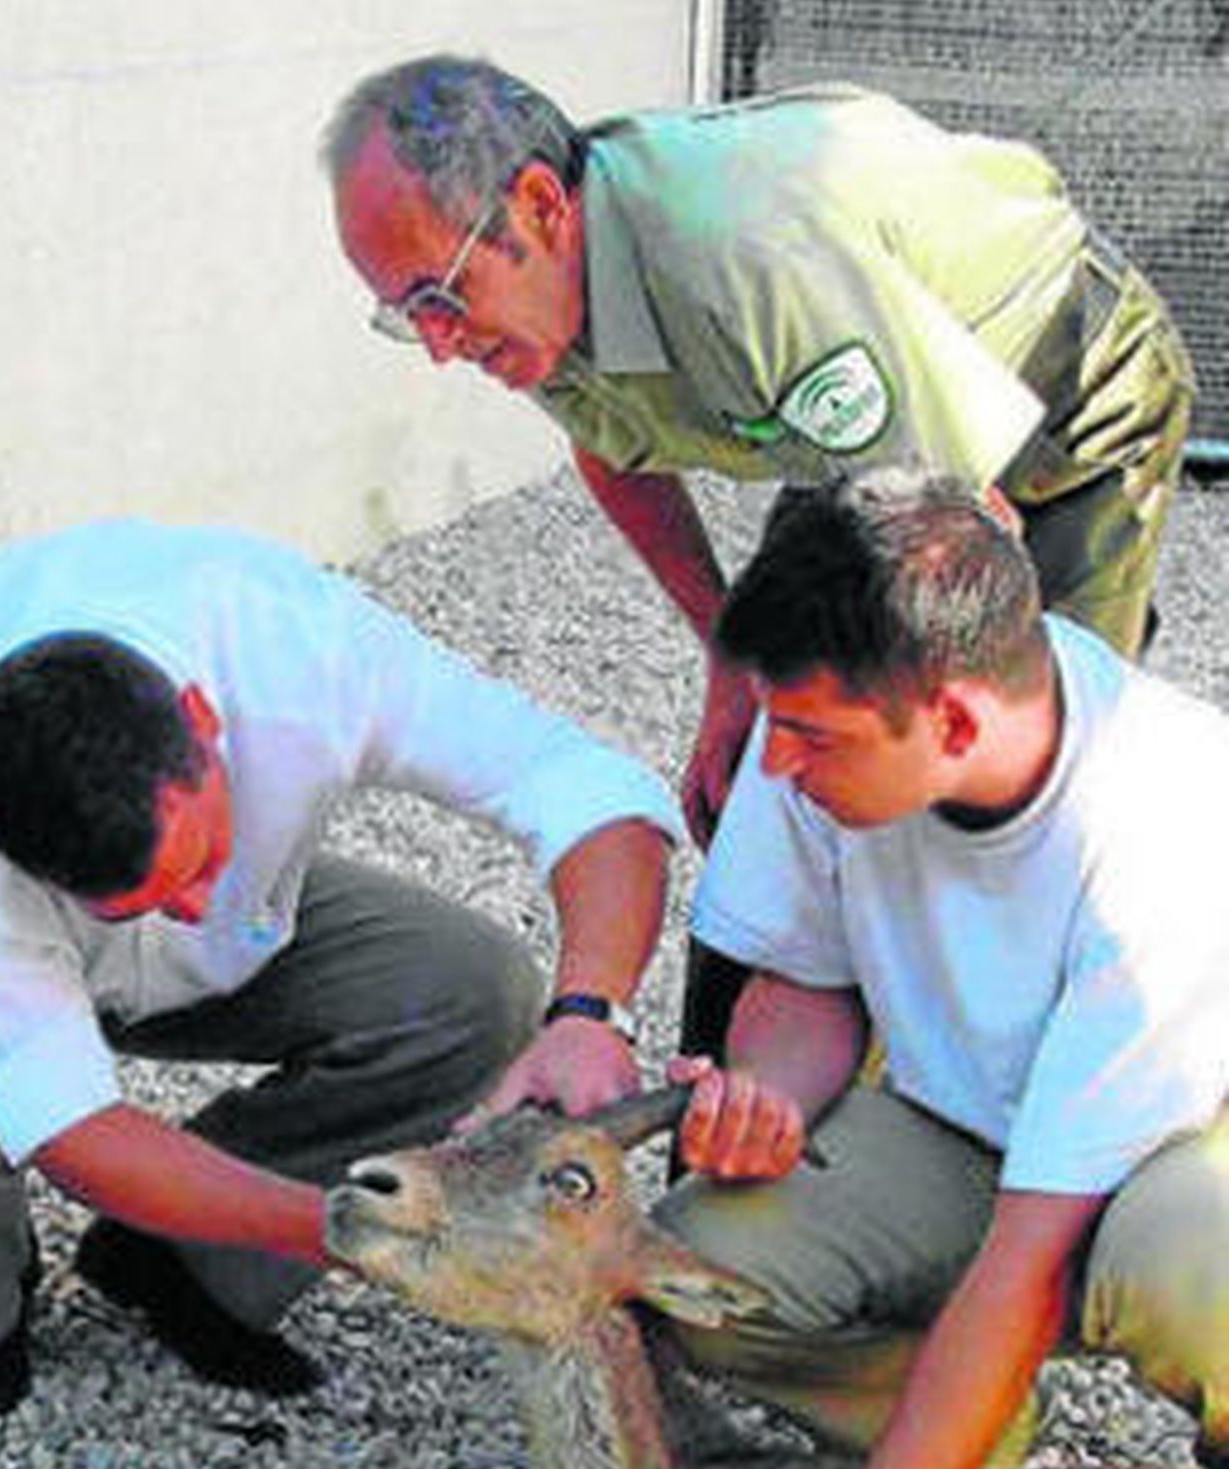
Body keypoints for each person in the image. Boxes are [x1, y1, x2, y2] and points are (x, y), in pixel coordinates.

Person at [325, 58, 1197, 1043]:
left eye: (441, 297)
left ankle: (1025, 1078)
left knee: (1007, 763)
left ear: (538, 204)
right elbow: (609, 447)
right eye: (407, 314)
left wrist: (896, 773)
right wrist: (728, 660)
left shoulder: (743, 258)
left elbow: (953, 543)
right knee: (783, 750)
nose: (438, 344)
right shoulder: (530, 296)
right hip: (864, 433)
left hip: (1071, 388)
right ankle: (751, 1079)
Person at [0, 518, 681, 1426]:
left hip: (165, 907)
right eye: (148, 902)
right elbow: (70, 1125)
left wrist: (589, 1013)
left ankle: (176, 1266)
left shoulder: (301, 649)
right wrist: (352, 1234)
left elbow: (580, 784)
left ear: (203, 721)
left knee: (476, 990)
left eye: (202, 860)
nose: (195, 906)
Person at [633, 467, 1229, 1469]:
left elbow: (1032, 1253)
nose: (772, 767)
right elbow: (801, 975)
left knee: (1205, 1267)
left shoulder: (1161, 835)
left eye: (810, 737)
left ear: (955, 718)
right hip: (967, 1121)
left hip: (1173, 1155)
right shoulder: (828, 741)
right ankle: (971, 1452)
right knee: (698, 1263)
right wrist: (769, 1100)